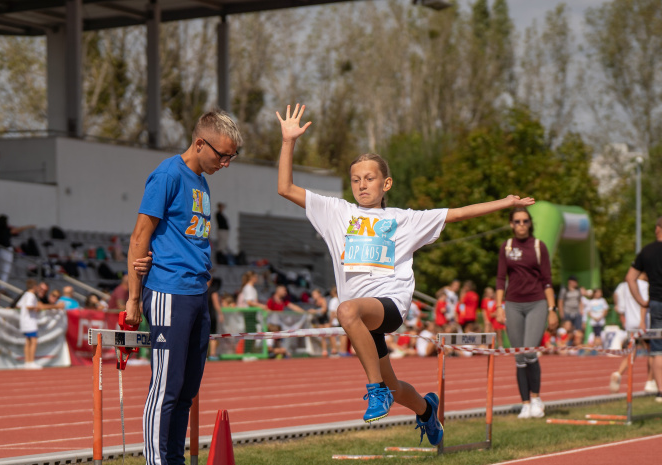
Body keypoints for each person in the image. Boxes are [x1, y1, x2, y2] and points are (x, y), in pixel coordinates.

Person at [276, 103, 536, 445]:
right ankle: (426, 410)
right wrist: (288, 141)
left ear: (386, 183)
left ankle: (374, 391)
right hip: (363, 320)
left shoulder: (404, 219)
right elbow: (285, 188)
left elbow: (457, 214)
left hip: (389, 305)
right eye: (355, 179)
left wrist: (505, 203)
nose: (361, 185)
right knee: (395, 386)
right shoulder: (336, 212)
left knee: (345, 311)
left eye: (369, 178)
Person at [125, 109, 241, 465]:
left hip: (197, 293)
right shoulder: (167, 175)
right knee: (166, 387)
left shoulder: (201, 182)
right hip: (168, 292)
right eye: (222, 155)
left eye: (231, 157)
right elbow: (141, 234)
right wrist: (133, 296)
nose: (225, 163)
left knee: (188, 390)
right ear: (199, 143)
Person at [495, 207, 558, 419]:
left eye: (524, 221)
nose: (521, 225)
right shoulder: (507, 246)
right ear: (511, 224)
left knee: (530, 351)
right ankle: (525, 403)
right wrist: (498, 306)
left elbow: (547, 280)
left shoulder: (539, 247)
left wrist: (552, 310)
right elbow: (500, 279)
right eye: (517, 221)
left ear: (530, 223)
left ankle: (537, 398)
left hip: (537, 303)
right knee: (519, 355)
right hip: (513, 304)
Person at [625, 218, 662, 401]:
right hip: (655, 302)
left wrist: (641, 301)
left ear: (657, 229)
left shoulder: (647, 251)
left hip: (655, 302)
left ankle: (661, 391)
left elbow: (630, 277)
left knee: (657, 348)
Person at [610, 274, 652, 392]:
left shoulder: (625, 285)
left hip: (630, 322)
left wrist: (621, 315)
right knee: (652, 352)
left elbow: (617, 298)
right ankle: (650, 381)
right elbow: (644, 304)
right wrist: (642, 321)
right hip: (642, 322)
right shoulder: (644, 285)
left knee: (631, 352)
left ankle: (618, 373)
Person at [15, 279, 64, 370]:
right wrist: (36, 307)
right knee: (33, 341)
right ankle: (31, 361)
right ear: (34, 287)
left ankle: (27, 362)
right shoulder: (31, 295)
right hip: (30, 321)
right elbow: (29, 306)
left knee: (28, 342)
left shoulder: (25, 294)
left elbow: (18, 305)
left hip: (24, 321)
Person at [207, 275, 224, 361]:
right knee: (213, 336)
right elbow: (216, 303)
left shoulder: (200, 290)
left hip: (202, 316)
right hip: (211, 316)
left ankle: (205, 355)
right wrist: (220, 314)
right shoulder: (213, 291)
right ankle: (212, 354)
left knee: (203, 336)